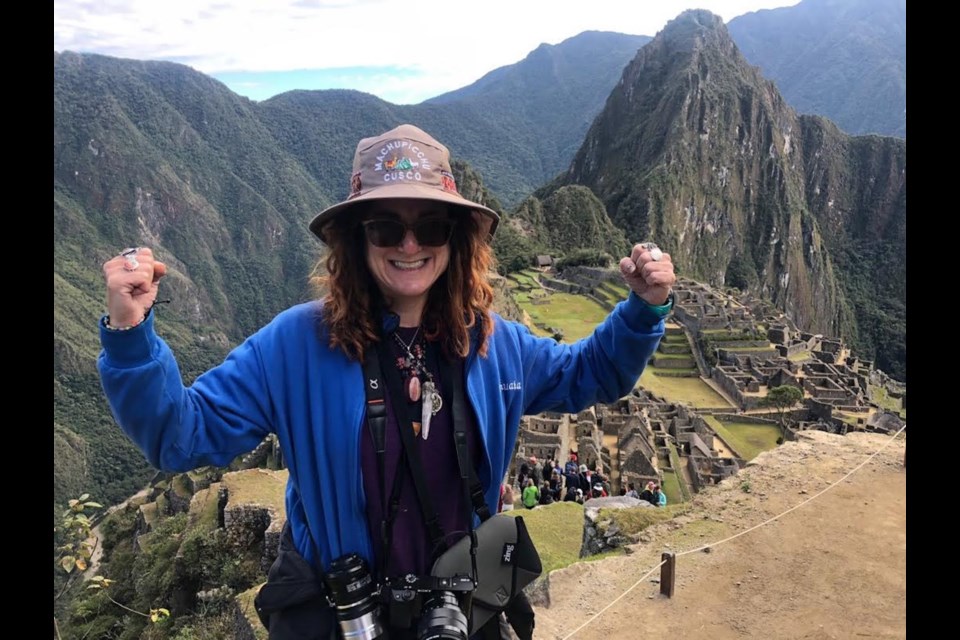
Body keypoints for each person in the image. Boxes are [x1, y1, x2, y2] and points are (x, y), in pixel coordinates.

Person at [97, 123, 675, 639]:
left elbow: (589, 374)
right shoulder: (295, 346)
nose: (408, 244)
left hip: (460, 608)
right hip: (341, 614)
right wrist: (131, 337)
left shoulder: (495, 345)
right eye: (384, 227)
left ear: (456, 238)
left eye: (430, 225)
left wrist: (643, 311)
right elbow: (181, 435)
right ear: (355, 237)